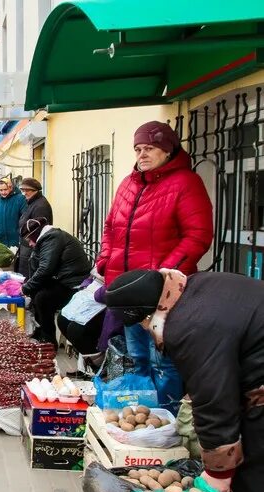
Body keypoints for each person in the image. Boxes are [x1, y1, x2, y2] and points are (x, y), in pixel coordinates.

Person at [105, 268, 264, 492]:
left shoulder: (187, 326)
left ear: (145, 316)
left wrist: (219, 474)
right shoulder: (197, 284)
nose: (144, 329)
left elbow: (216, 400)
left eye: (141, 323)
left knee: (254, 488)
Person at [96, 120, 213, 411]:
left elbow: (198, 236)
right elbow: (110, 226)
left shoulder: (186, 183)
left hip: (163, 295)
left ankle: (165, 417)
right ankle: (142, 416)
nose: (142, 155)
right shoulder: (127, 183)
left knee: (163, 360)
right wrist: (105, 257)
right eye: (138, 149)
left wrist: (163, 276)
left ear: (167, 150)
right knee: (137, 357)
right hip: (129, 294)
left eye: (149, 148)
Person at [19, 218, 91, 345]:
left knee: (43, 298)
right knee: (37, 292)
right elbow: (39, 268)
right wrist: (29, 287)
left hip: (75, 285)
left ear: (35, 235)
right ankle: (39, 332)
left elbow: (45, 269)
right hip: (65, 280)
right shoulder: (48, 239)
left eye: (29, 240)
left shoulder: (51, 238)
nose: (30, 244)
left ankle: (48, 341)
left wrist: (25, 288)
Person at [16, 178, 54, 277]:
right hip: (27, 247)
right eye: (22, 190)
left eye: (27, 190)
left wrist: (31, 241)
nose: (24, 193)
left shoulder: (40, 206)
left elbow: (39, 229)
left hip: (31, 248)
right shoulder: (33, 202)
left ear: (35, 191)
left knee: (29, 276)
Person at [0, 177, 26, 247]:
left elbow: (25, 218)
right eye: (1, 190)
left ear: (10, 187)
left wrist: (19, 234)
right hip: (1, 240)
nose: (3, 192)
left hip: (16, 240)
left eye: (5, 189)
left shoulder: (20, 199)